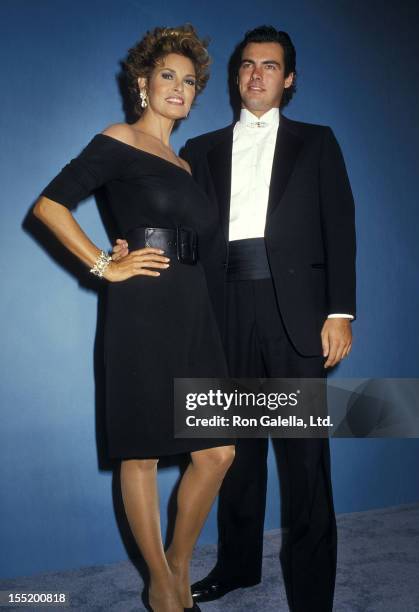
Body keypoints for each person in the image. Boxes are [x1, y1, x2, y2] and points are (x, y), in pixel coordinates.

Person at [114, 24, 356, 612]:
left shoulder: (318, 142)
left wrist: (341, 311)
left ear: (288, 78)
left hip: (296, 314)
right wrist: (127, 249)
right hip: (218, 310)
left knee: (304, 459)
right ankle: (238, 565)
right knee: (232, 452)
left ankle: (312, 591)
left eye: (269, 66)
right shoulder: (199, 151)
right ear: (236, 74)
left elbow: (340, 229)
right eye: (247, 65)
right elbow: (175, 223)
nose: (256, 75)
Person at [33, 24, 235, 612]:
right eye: (167, 76)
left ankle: (173, 565)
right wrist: (104, 263)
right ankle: (164, 586)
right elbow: (49, 205)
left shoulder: (186, 164)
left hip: (193, 308)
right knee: (141, 453)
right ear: (142, 84)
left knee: (218, 451)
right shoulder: (118, 138)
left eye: (190, 80)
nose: (179, 87)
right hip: (142, 308)